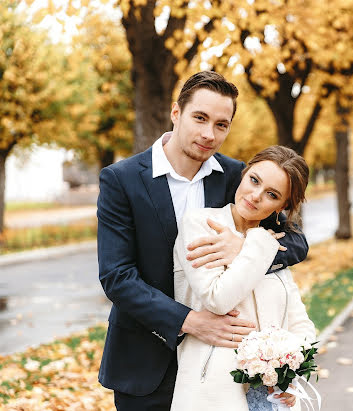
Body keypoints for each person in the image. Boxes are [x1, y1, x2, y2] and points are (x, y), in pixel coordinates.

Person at [96, 71, 309, 410]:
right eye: (200, 118)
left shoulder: (237, 177)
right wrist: (191, 322)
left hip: (221, 371)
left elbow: (296, 242)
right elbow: (117, 277)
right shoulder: (121, 180)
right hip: (144, 361)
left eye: (221, 124)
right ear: (176, 113)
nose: (209, 134)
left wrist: (245, 249)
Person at [171, 145, 316, 411]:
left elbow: (300, 323)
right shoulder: (201, 224)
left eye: (271, 194)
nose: (256, 195)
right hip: (212, 393)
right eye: (254, 180)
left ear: (282, 206)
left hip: (271, 399)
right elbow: (217, 299)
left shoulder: (275, 243)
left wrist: (289, 372)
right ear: (244, 173)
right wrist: (257, 243)